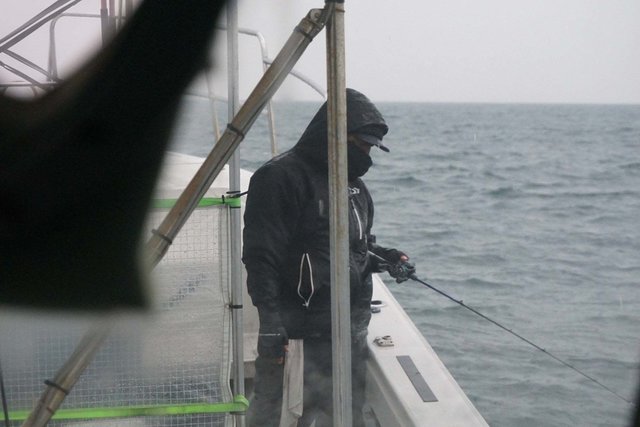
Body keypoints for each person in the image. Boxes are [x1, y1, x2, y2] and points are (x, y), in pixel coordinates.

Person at [242, 88, 415, 427]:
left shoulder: (355, 187)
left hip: (347, 332)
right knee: (278, 416)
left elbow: (356, 247)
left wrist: (389, 258)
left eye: (371, 147)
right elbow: (261, 257)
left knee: (345, 416)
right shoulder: (279, 177)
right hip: (298, 333)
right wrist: (271, 323)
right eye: (362, 144)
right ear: (336, 136)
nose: (367, 154)